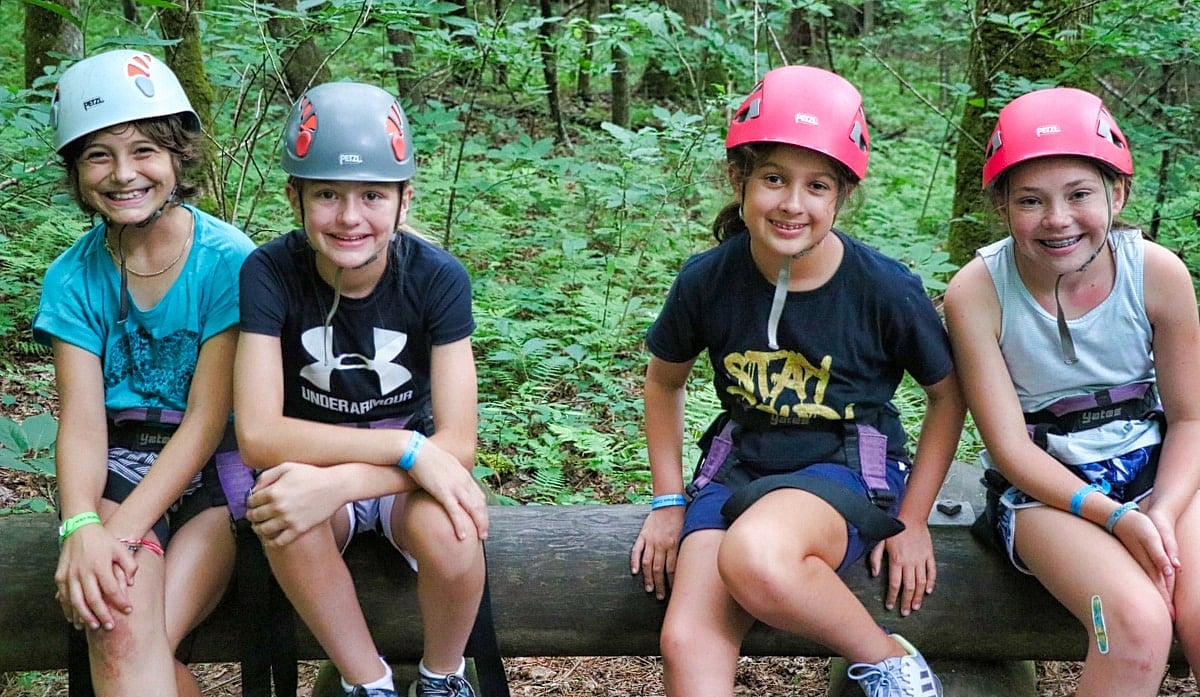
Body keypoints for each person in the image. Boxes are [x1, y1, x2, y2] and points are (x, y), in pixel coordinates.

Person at [629, 65, 965, 697]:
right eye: (773, 178)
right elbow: (663, 382)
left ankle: (894, 667)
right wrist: (668, 501)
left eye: (817, 186)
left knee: (756, 555)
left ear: (841, 196)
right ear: (740, 179)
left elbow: (949, 395)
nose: (792, 203)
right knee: (686, 641)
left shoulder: (884, 288)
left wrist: (914, 519)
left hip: (841, 464)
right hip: (740, 464)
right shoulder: (707, 280)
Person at [235, 81, 489, 697]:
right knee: (280, 509)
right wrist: (408, 450)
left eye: (373, 194)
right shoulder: (269, 272)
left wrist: (354, 477)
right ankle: (366, 681)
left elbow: (457, 443)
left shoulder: (437, 279)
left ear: (404, 200)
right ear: (295, 197)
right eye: (327, 194)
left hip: (398, 478)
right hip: (331, 458)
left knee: (453, 526)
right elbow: (258, 434)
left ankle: (444, 675)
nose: (350, 217)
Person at [944, 87, 1200, 695]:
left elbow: (1190, 419)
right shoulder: (978, 292)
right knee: (1133, 628)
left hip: (1158, 471)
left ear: (1117, 193)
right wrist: (1113, 517)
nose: (1057, 219)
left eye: (1079, 194)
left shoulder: (1157, 274)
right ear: (1003, 207)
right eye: (1031, 200)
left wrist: (1160, 512)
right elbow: (1010, 448)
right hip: (1046, 493)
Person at [34, 49, 256, 696]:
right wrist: (81, 527)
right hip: (123, 460)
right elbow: (79, 422)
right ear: (75, 170)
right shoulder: (73, 278)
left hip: (215, 467)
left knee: (132, 635)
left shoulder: (227, 261)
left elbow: (208, 418)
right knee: (121, 629)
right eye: (98, 154)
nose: (124, 173)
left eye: (143, 151)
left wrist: (118, 536)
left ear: (177, 156)